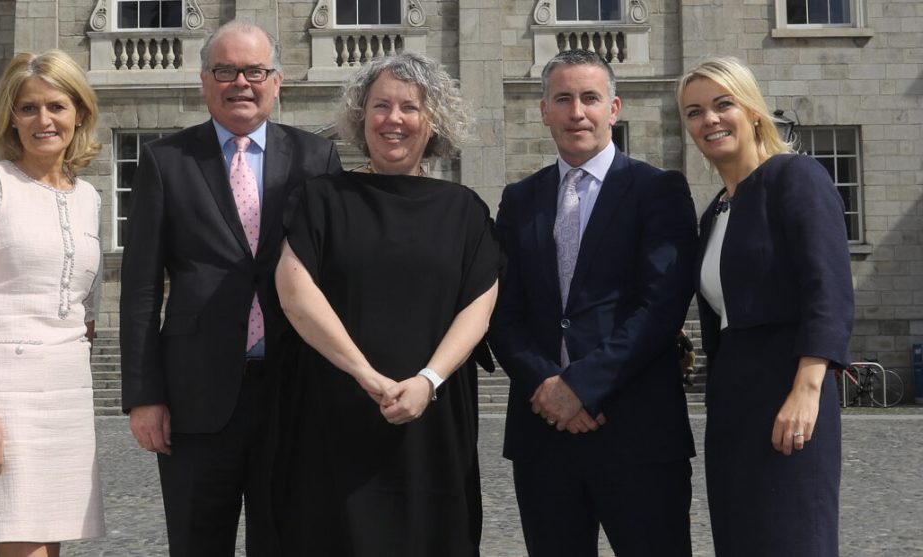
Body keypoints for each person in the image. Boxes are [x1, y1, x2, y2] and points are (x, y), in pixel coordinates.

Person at [118, 19, 341, 556]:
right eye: (225, 70)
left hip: (292, 391)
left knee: (287, 542)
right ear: (204, 80)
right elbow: (141, 288)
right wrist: (144, 397)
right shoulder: (166, 161)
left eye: (254, 71)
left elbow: (333, 277)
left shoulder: (317, 159)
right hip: (195, 398)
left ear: (277, 81)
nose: (240, 82)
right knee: (197, 544)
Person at [272, 51, 500, 556]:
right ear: (360, 114)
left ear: (433, 120)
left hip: (432, 423)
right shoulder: (322, 198)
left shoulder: (464, 210)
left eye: (410, 108)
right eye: (380, 106)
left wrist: (427, 381)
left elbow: (480, 307)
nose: (393, 119)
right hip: (335, 417)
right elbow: (294, 291)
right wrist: (366, 376)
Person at [489, 49, 698, 557]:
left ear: (614, 107)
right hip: (544, 437)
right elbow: (501, 310)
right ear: (543, 111)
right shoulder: (520, 199)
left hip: (637, 432)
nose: (576, 111)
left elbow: (661, 307)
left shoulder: (658, 190)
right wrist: (546, 384)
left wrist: (580, 387)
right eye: (562, 99)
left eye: (589, 98)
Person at [676, 56, 853, 556]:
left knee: (794, 538)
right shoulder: (715, 212)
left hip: (789, 391)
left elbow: (829, 290)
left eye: (722, 104)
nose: (708, 120)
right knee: (740, 540)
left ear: (752, 111)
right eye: (694, 112)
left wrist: (808, 388)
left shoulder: (796, 178)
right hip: (732, 401)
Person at [0, 49, 105, 555]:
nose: (43, 120)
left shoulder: (90, 197)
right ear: (11, 117)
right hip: (4, 398)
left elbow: (85, 309)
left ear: (78, 111)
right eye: (28, 108)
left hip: (67, 396)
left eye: (56, 106)